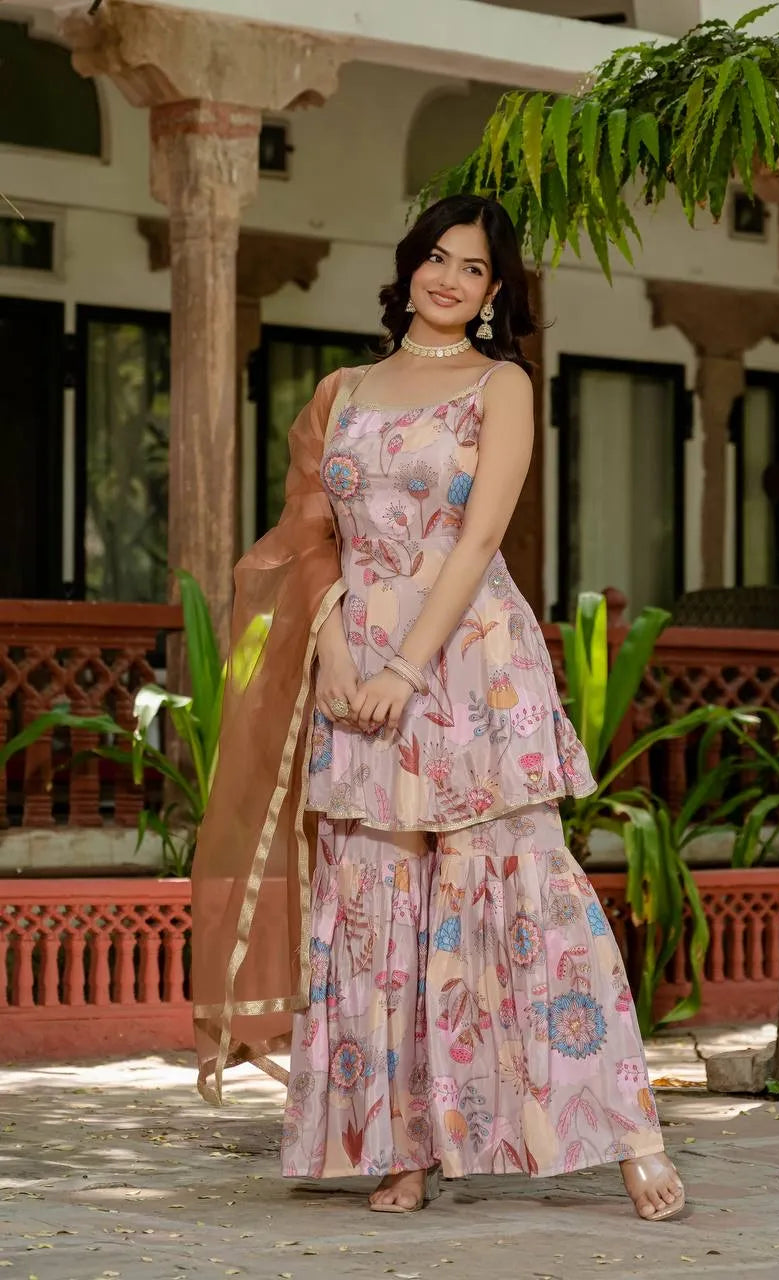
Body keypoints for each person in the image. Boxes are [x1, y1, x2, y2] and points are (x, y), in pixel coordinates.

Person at [191, 194, 685, 1222]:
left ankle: (629, 1132)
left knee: (522, 892)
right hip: (357, 653)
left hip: (467, 659)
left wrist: (405, 671)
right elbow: (309, 536)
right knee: (378, 902)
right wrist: (336, 652)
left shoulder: (501, 385)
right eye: (436, 257)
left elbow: (479, 536)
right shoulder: (342, 390)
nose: (449, 278)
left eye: (472, 267)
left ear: (494, 290)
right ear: (408, 264)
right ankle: (401, 1146)